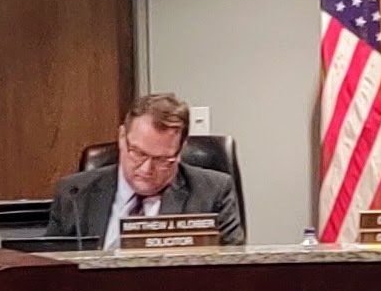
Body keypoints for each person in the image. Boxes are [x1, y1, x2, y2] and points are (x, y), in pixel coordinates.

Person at [47, 92, 244, 248]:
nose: (147, 169)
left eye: (162, 159)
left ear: (181, 149)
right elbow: (52, 274)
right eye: (138, 153)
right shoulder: (74, 194)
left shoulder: (213, 192)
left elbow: (232, 273)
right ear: (122, 137)